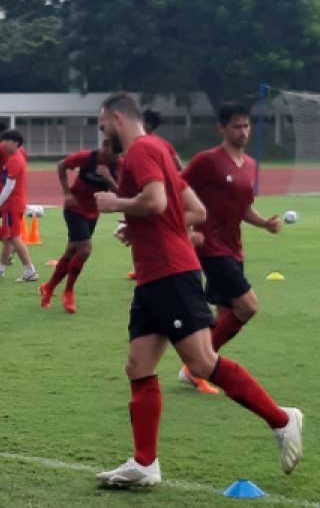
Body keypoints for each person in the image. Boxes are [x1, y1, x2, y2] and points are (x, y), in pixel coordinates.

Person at [93, 92, 302, 487]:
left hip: (170, 272)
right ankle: (144, 463)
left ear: (117, 117)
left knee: (203, 362)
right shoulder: (162, 149)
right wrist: (136, 227)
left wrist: (113, 204)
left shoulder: (139, 152)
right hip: (153, 275)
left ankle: (282, 419)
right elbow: (196, 211)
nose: (103, 132)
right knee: (139, 366)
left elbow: (154, 202)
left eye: (103, 124)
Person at [179, 102, 281, 390]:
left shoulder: (251, 166)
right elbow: (176, 187)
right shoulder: (207, 161)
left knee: (227, 313)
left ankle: (197, 367)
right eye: (237, 126)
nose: (243, 131)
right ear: (222, 128)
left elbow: (243, 206)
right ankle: (196, 365)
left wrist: (264, 224)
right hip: (209, 245)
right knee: (248, 306)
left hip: (233, 247)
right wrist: (186, 227)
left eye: (247, 125)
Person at [39, 137, 119, 313]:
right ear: (105, 145)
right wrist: (67, 192)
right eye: (114, 151)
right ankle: (68, 291)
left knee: (71, 251)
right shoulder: (87, 157)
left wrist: (107, 177)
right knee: (85, 250)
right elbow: (61, 165)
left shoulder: (118, 164)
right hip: (74, 209)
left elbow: (120, 192)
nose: (116, 156)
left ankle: (49, 287)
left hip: (93, 212)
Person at [0, 130, 39, 282]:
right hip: (12, 204)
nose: (2, 144)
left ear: (15, 143)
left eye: (6, 141)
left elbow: (9, 186)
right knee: (7, 238)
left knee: (14, 238)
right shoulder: (13, 158)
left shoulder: (15, 160)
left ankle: (30, 270)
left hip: (12, 205)